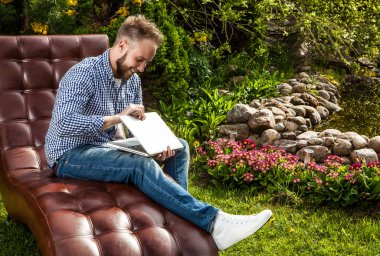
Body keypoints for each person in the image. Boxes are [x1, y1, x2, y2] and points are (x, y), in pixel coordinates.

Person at [45, 14, 272, 251]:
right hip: (69, 154)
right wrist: (119, 117)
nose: (142, 68)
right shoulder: (84, 73)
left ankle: (182, 223)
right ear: (122, 45)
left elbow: (128, 128)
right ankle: (214, 222)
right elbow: (64, 124)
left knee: (179, 146)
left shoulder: (131, 80)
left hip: (106, 148)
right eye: (140, 59)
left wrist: (152, 146)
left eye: (147, 63)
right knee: (137, 165)